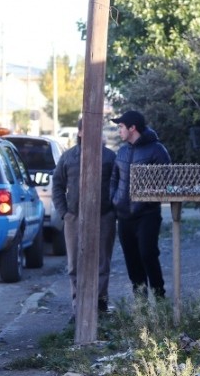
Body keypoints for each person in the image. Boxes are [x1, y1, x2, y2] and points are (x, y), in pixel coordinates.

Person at [52, 117, 117, 314]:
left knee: (102, 263)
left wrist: (113, 210)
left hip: (104, 216)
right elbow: (57, 185)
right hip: (74, 216)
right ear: (80, 132)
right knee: (74, 264)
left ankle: (100, 303)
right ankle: (78, 305)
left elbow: (117, 184)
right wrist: (65, 214)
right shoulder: (69, 157)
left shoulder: (109, 157)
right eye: (87, 130)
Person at [109, 110, 171, 299]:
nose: (119, 130)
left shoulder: (156, 150)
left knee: (148, 254)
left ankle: (160, 298)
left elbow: (166, 179)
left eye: (121, 126)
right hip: (124, 216)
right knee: (132, 260)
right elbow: (114, 179)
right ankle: (141, 304)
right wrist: (115, 200)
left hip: (147, 214)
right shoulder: (122, 150)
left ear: (132, 127)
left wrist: (147, 199)